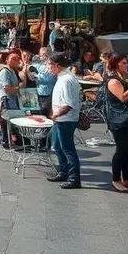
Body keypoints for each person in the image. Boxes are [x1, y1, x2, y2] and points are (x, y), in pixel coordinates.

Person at [104, 54, 128, 192]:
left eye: (127, 63)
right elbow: (123, 97)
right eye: (124, 63)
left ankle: (126, 178)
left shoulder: (125, 77)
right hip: (118, 120)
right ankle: (116, 179)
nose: (127, 65)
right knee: (122, 149)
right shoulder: (113, 81)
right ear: (116, 65)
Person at [46, 52, 82, 189]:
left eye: (49, 64)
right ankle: (63, 171)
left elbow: (68, 105)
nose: (48, 67)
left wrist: (55, 116)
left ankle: (74, 178)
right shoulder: (62, 77)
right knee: (57, 146)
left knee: (68, 149)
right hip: (61, 119)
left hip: (65, 120)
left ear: (57, 65)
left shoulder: (67, 79)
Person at [0, 52, 23, 148]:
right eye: (13, 58)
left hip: (13, 99)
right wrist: (18, 88)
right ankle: (6, 142)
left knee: (11, 122)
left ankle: (11, 142)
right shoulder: (5, 72)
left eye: (17, 58)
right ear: (7, 60)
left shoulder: (13, 70)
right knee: (7, 122)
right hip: (7, 100)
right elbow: (7, 89)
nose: (16, 60)